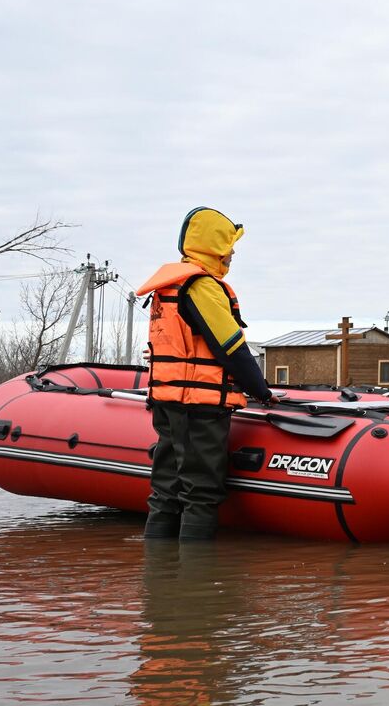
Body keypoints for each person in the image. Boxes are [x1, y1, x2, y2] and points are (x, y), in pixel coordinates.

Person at [135, 207, 274, 540]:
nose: (233, 255)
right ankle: (198, 579)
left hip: (168, 400)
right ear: (215, 249)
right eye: (229, 248)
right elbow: (231, 347)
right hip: (200, 404)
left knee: (166, 489)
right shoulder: (202, 287)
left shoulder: (169, 286)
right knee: (201, 492)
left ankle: (161, 576)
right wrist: (262, 392)